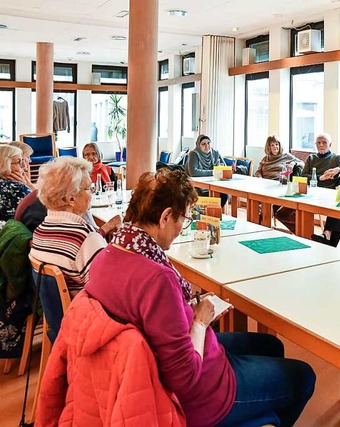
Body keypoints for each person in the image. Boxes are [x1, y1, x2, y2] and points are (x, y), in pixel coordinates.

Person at [85, 168, 315, 427]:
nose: (183, 226)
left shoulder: (110, 255)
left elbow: (159, 320)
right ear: (165, 217)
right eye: (183, 218)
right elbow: (184, 377)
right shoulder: (156, 278)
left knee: (271, 346)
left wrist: (189, 312)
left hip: (164, 364)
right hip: (200, 394)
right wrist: (200, 322)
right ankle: (258, 417)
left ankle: (262, 414)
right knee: (304, 376)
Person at [30, 157, 121, 292]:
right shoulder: (85, 237)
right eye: (89, 188)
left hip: (56, 312)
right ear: (71, 198)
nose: (92, 193)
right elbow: (111, 289)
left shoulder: (40, 231)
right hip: (86, 310)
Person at [275, 132, 340, 241]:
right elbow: (304, 176)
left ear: (330, 144)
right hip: (309, 192)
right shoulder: (311, 158)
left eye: (324, 142)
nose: (321, 145)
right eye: (318, 143)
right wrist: (320, 178)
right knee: (281, 212)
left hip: (328, 194)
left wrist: (339, 169)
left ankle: (319, 234)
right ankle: (304, 233)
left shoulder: (336, 158)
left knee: (337, 206)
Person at [186, 133, 228, 207]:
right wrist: (214, 172)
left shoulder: (215, 153)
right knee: (202, 195)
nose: (207, 146)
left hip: (214, 184)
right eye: (203, 144)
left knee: (224, 195)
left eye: (208, 143)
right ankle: (208, 215)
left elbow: (224, 168)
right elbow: (193, 172)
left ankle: (214, 215)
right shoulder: (193, 154)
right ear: (198, 145)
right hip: (197, 186)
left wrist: (221, 168)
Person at [0, 144, 32, 221]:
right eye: (19, 162)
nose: (23, 166)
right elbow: (43, 207)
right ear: (5, 164)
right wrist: (26, 186)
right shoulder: (17, 188)